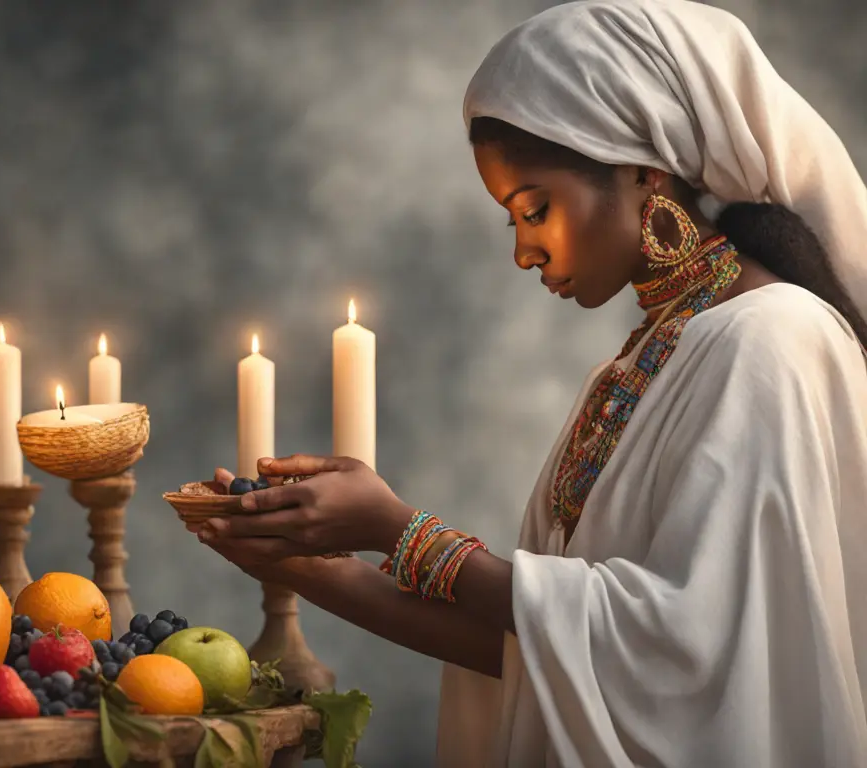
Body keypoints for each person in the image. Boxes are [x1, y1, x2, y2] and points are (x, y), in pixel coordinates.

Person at [193, 1, 867, 765]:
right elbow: (547, 656)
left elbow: (690, 658)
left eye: (535, 209)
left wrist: (399, 532)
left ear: (644, 170)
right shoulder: (639, 364)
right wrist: (300, 565)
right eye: (511, 221)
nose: (524, 251)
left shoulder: (769, 340)